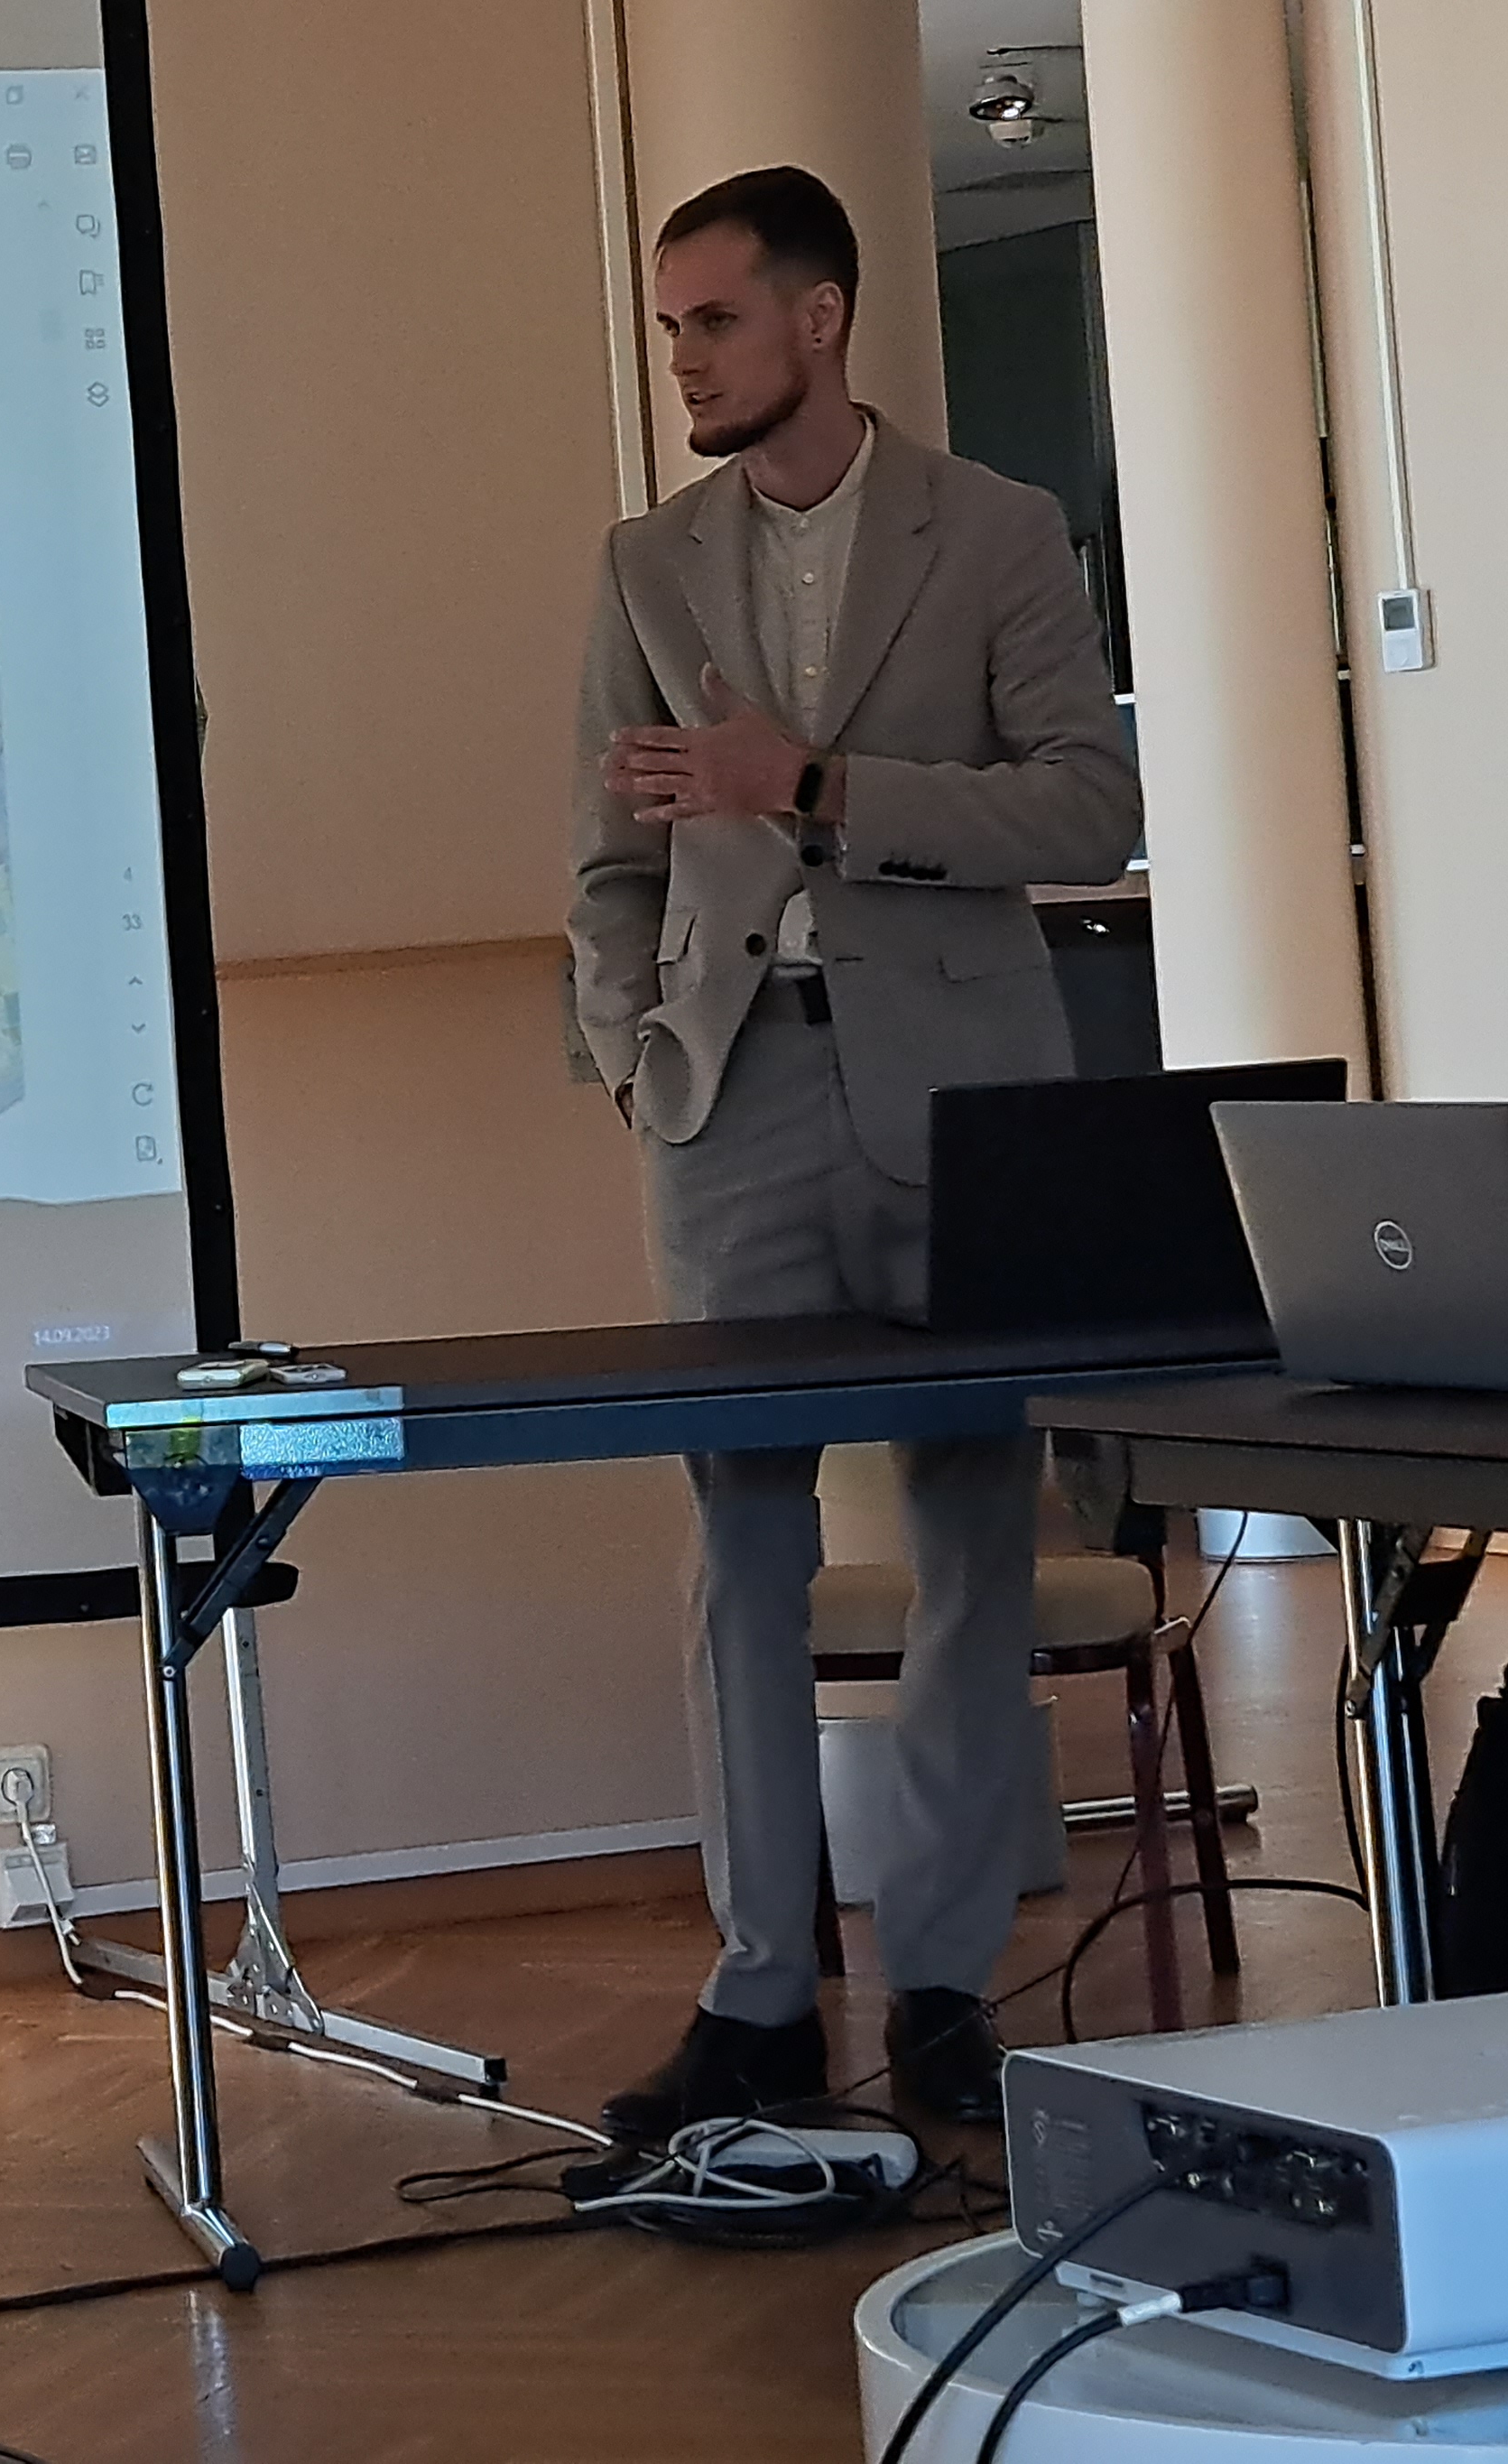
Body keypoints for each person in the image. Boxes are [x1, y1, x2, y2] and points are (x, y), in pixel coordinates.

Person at [569, 164, 1142, 2139]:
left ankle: (943, 1988)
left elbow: (1083, 809)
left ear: (818, 318)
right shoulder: (646, 564)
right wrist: (629, 1049)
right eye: (669, 327)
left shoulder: (992, 531)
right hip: (727, 1102)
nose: (683, 360)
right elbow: (609, 854)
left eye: (713, 320)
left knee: (973, 1531)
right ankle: (755, 2001)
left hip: (963, 1097)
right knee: (740, 1539)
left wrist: (812, 785)